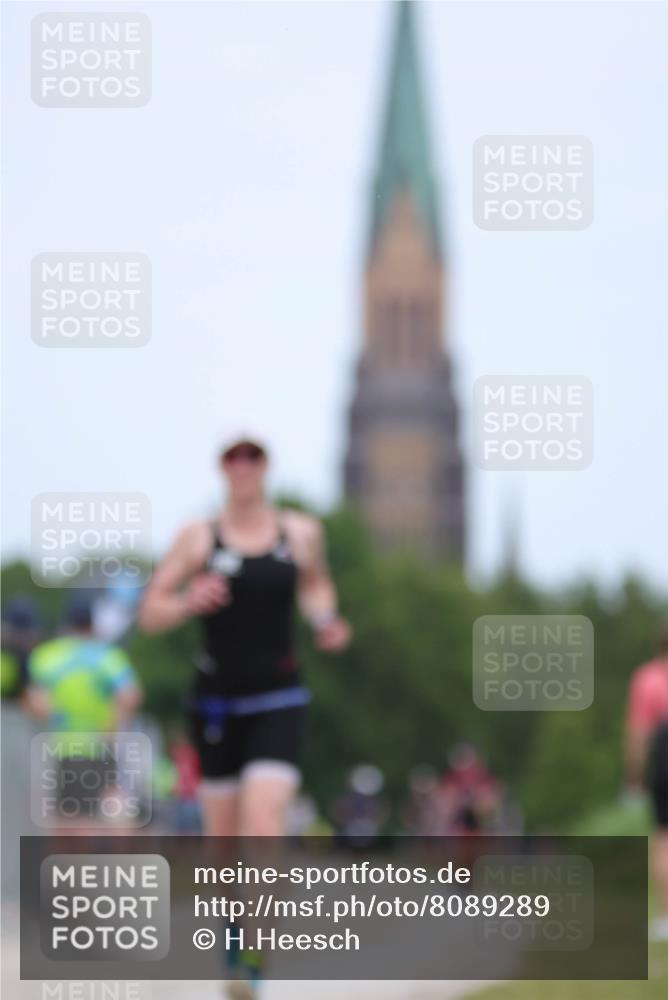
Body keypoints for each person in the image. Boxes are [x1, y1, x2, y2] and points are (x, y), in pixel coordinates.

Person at [138, 430, 351, 838]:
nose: (243, 466)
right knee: (223, 844)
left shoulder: (301, 531)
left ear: (265, 466)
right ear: (222, 467)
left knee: (262, 821)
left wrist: (326, 620)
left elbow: (315, 585)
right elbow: (150, 612)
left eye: (253, 457)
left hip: (279, 694)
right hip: (216, 701)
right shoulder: (199, 535)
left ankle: (268, 905)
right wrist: (188, 600)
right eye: (233, 458)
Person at [24, 596, 143, 829]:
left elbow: (35, 701)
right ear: (92, 625)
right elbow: (131, 696)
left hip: (59, 746)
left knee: (67, 818)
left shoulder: (46, 655)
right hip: (101, 745)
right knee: (104, 813)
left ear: (65, 625)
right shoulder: (108, 656)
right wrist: (115, 725)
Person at [625, 627, 668, 941]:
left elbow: (638, 734)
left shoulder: (648, 679)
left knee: (663, 839)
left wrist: (634, 776)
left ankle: (666, 918)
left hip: (663, 757)